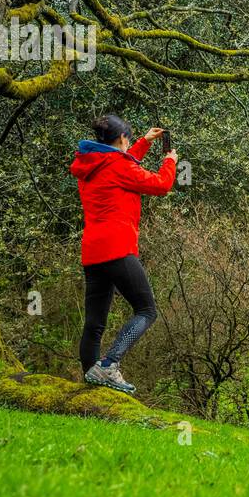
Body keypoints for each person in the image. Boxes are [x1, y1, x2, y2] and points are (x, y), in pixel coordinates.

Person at [69, 115, 177, 393]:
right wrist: (170, 161)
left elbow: (119, 166)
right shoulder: (118, 165)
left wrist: (143, 142)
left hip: (93, 253)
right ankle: (108, 365)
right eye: (128, 140)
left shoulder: (89, 165)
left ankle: (91, 384)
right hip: (118, 248)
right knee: (146, 310)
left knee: (94, 323)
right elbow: (160, 185)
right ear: (120, 140)